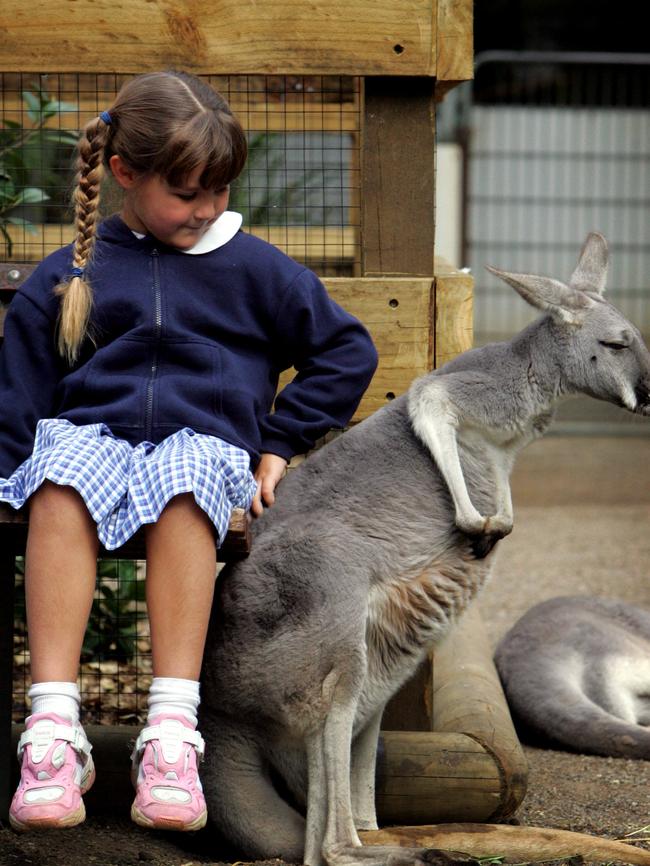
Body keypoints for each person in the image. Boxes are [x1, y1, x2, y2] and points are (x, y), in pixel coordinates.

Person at [0, 70, 378, 834]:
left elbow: (346, 350)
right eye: (188, 193)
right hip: (95, 438)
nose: (207, 210)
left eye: (219, 191)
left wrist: (278, 441)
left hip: (202, 444)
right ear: (124, 175)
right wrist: (9, 469)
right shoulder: (75, 270)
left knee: (188, 486)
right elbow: (23, 382)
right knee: (57, 478)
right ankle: (54, 732)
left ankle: (171, 734)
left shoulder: (255, 268)